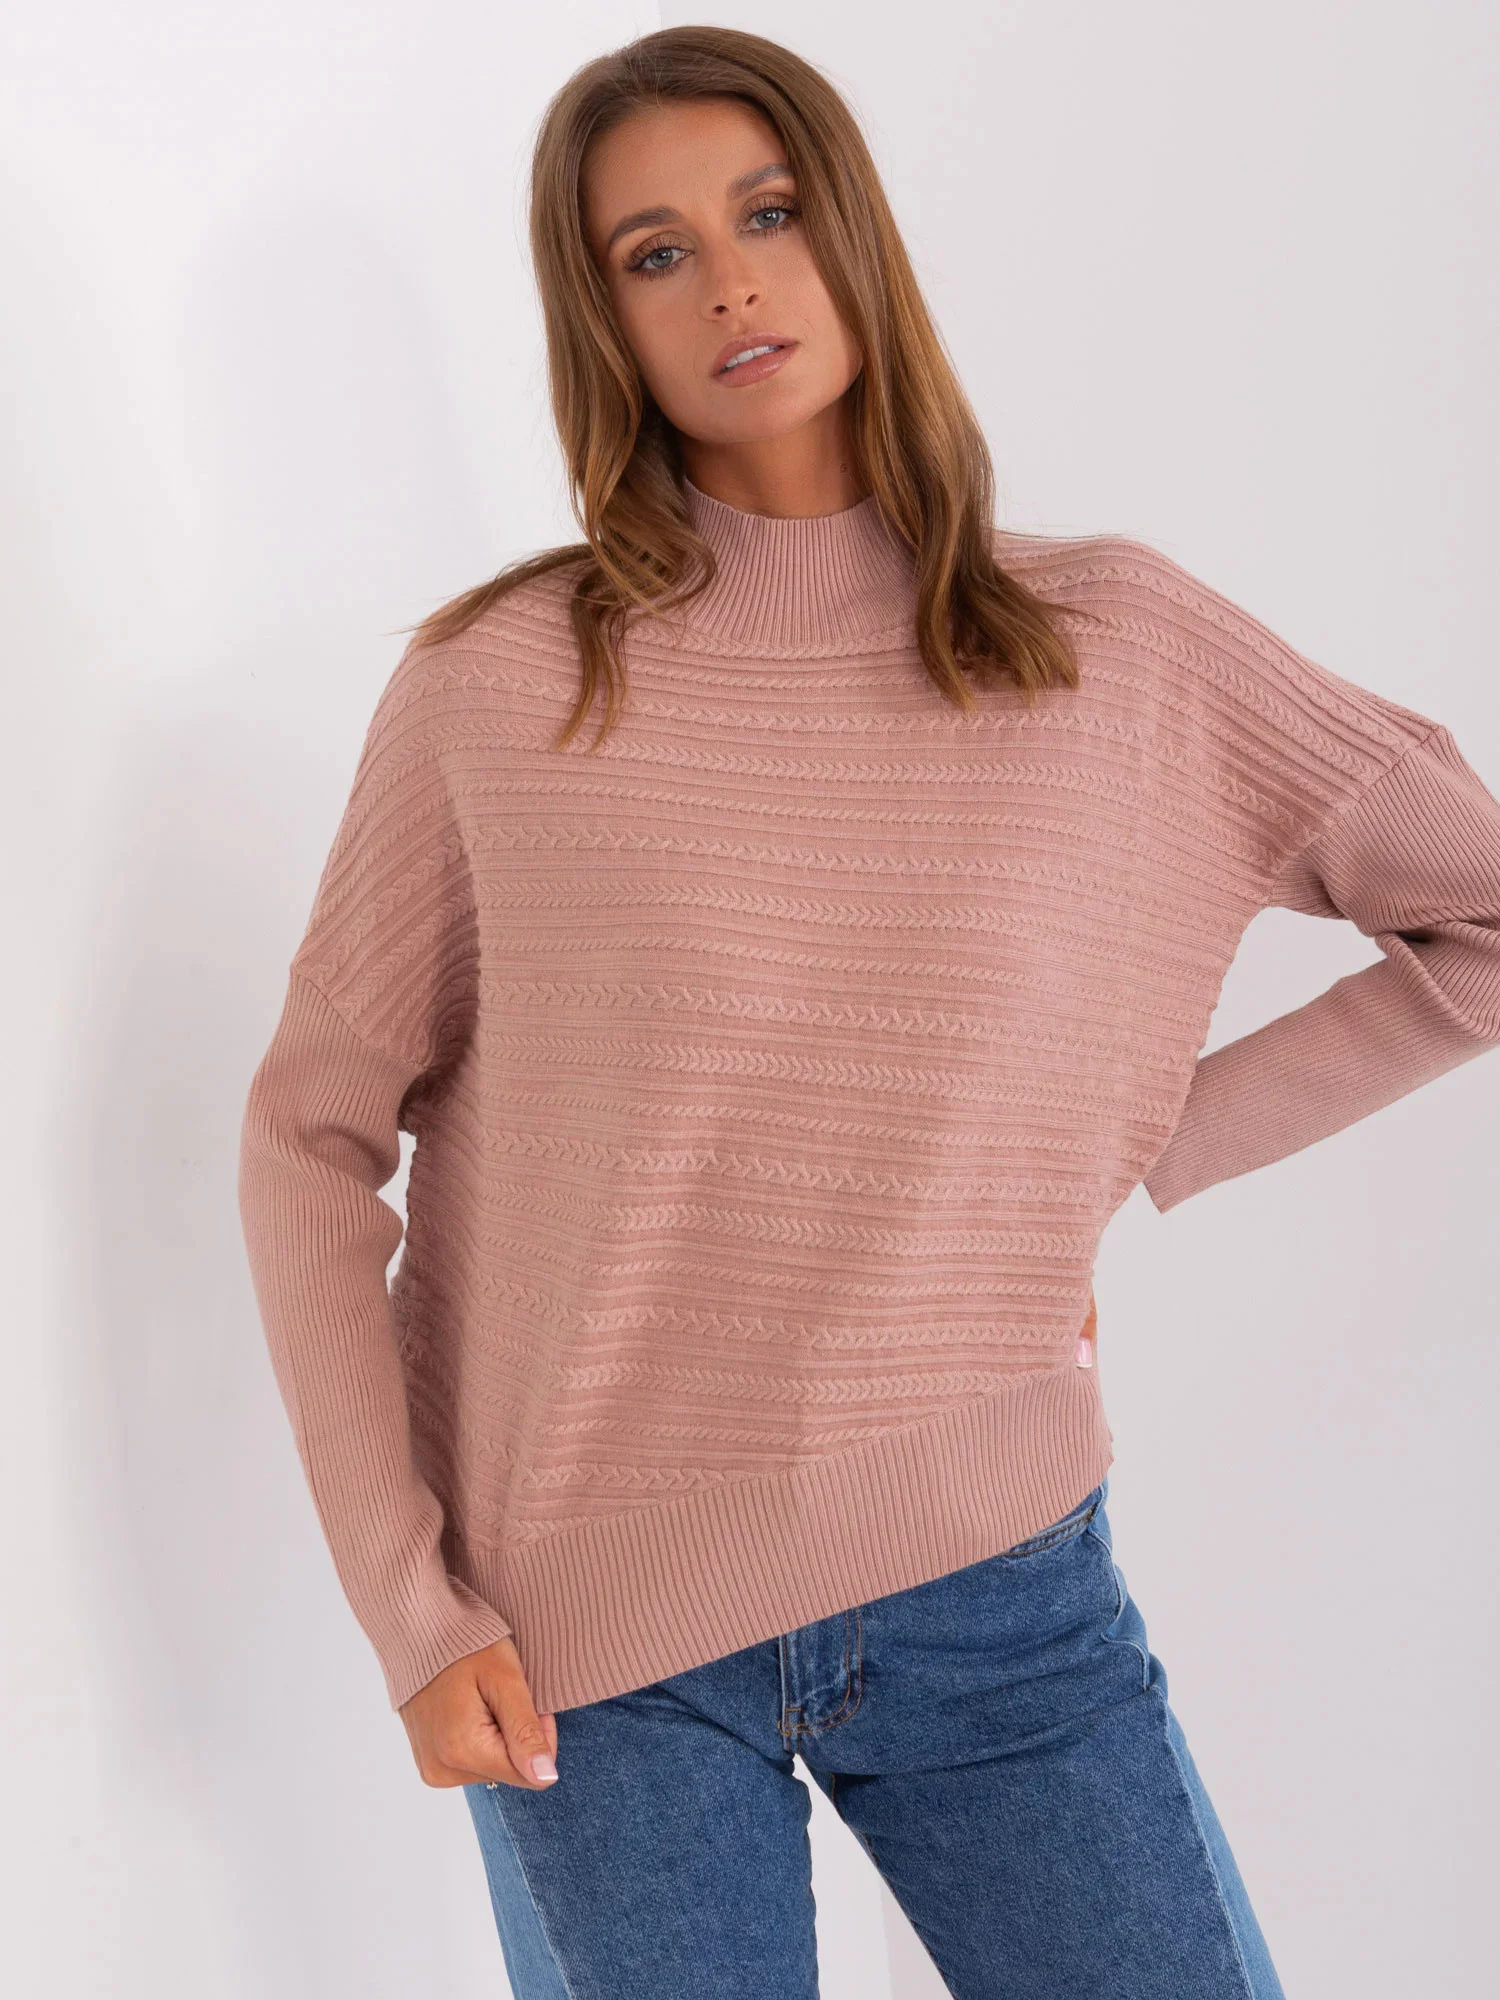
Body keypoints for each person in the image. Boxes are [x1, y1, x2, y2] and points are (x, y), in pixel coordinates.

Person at [236, 26, 1500, 2000]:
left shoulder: (1114, 645)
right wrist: (412, 1609)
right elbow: (307, 1138)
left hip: (998, 1582)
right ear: (601, 320)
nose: (729, 282)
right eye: (655, 253)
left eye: (769, 212)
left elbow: (1476, 914)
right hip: (590, 1645)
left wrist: (1129, 1147)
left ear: (853, 234)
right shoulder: (501, 686)